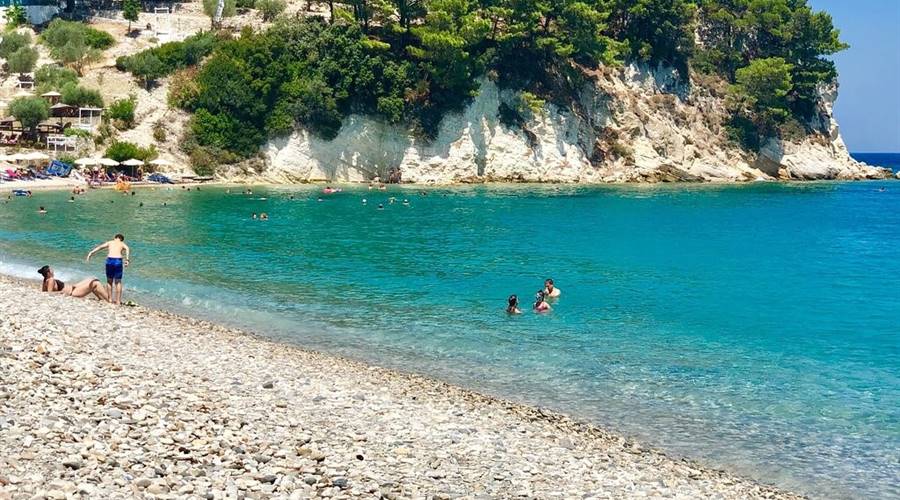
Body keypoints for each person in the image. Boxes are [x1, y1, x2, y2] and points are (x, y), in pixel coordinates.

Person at [86, 234, 131, 305]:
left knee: (109, 281)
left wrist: (91, 253)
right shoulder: (122, 244)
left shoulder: (110, 242)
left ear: (115, 238)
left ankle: (110, 299)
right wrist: (127, 260)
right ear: (121, 239)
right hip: (118, 261)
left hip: (110, 260)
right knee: (118, 282)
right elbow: (127, 249)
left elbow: (100, 247)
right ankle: (118, 301)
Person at [38, 265, 109, 301]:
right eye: (51, 269)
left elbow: (44, 292)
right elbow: (49, 294)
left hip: (74, 287)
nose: (53, 270)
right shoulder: (50, 280)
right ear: (48, 273)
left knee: (92, 278)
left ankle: (101, 299)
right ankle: (109, 300)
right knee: (95, 283)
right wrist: (60, 293)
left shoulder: (45, 280)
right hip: (73, 292)